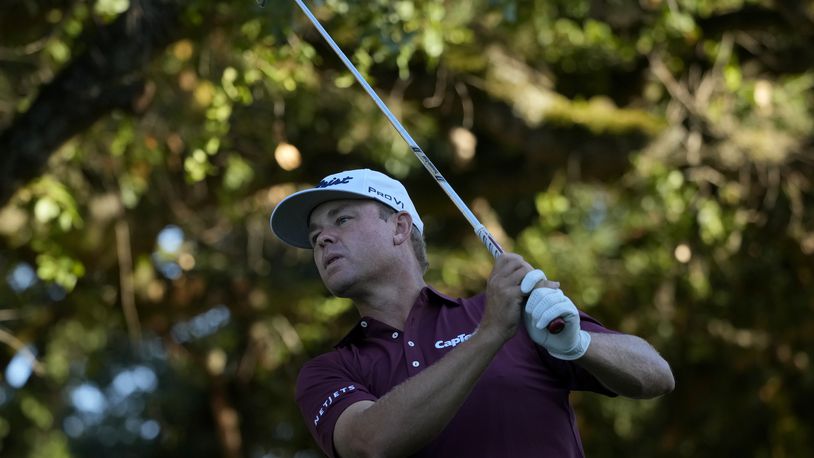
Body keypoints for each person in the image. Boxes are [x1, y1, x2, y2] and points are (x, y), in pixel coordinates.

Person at [270, 168, 675, 458]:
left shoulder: (506, 312)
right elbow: (370, 443)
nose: (323, 238)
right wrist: (490, 334)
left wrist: (579, 344)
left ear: (399, 228)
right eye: (314, 235)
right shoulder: (330, 370)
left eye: (341, 219)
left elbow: (656, 375)